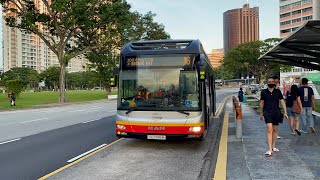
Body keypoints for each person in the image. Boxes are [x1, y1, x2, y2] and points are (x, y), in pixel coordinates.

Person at [260, 76, 288, 157]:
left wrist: (285, 112)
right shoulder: (264, 92)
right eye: (269, 81)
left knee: (275, 129)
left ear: (274, 83)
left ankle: (273, 146)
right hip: (267, 112)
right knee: (269, 129)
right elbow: (262, 102)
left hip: (276, 112)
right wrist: (261, 113)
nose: (271, 83)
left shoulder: (278, 92)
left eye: (272, 82)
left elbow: (282, 101)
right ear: (267, 83)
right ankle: (269, 149)